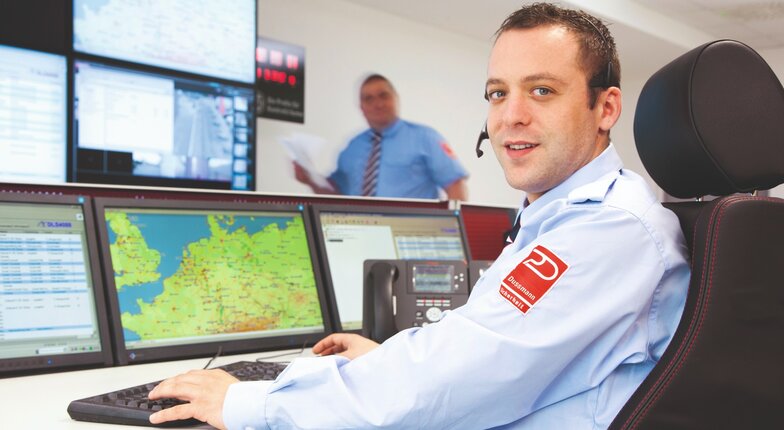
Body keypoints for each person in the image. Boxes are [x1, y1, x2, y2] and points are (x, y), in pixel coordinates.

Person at [149, 3, 690, 429]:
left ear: (607, 108)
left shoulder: (609, 230)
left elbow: (460, 377)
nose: (511, 116)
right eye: (497, 93)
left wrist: (250, 404)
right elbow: (476, 342)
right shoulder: (559, 218)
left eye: (542, 91)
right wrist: (385, 359)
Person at [293, 74, 469, 200]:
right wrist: (310, 180)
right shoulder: (351, 148)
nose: (377, 104)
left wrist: (453, 234)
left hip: (412, 240)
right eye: (368, 99)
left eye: (383, 95)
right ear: (361, 107)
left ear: (396, 98)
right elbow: (337, 195)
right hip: (358, 237)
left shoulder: (425, 138)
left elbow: (455, 186)